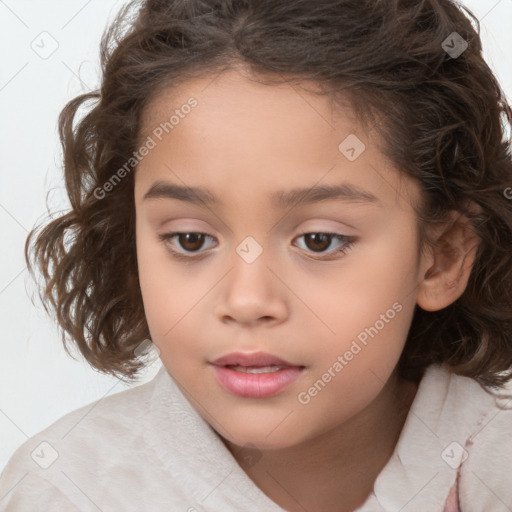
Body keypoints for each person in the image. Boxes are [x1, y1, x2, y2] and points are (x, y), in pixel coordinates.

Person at [1, 0, 512, 510]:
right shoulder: (64, 489)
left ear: (440, 258)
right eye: (190, 239)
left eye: (319, 240)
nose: (247, 301)